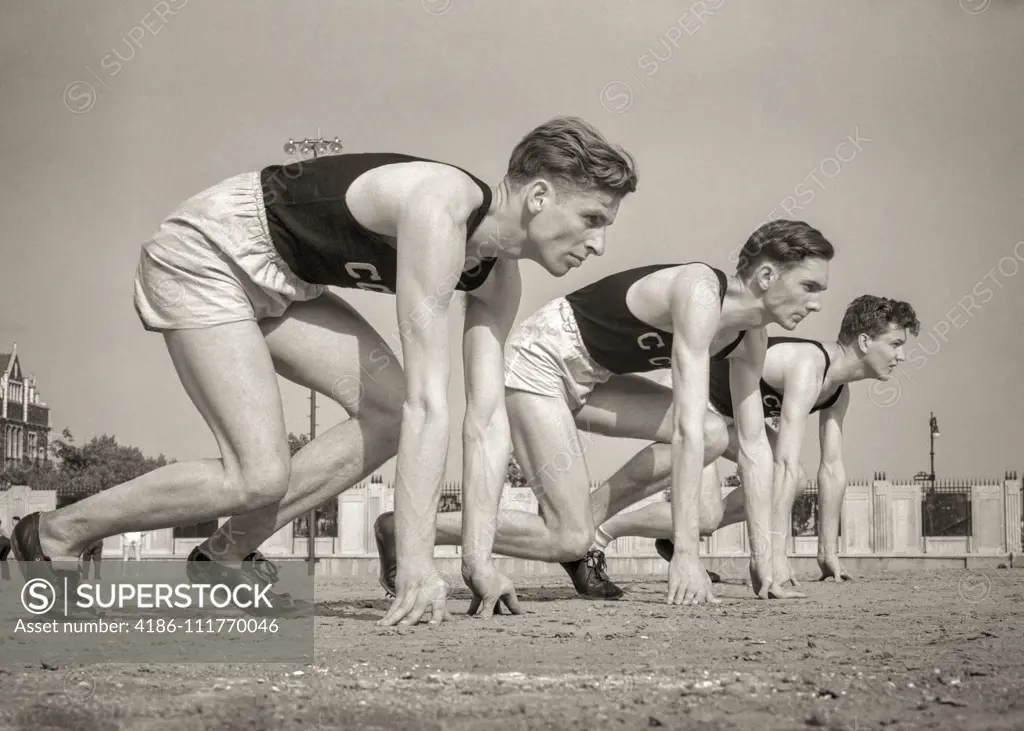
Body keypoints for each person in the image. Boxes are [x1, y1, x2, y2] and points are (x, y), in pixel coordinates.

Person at [8, 117, 638, 626]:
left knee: (385, 409)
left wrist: (477, 557)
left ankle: (223, 558)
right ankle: (55, 534)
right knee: (256, 475)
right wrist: (418, 564)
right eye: (593, 219)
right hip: (211, 251)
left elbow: (485, 420)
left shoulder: (500, 277)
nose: (599, 245)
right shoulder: (441, 206)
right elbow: (430, 402)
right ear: (538, 197)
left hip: (288, 282)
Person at [376, 219, 835, 606]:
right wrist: (686, 555)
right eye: (809, 286)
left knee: (720, 433)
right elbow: (684, 429)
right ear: (768, 276)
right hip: (541, 363)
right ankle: (411, 529)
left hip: (592, 378)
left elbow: (754, 447)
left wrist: (767, 558)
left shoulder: (748, 338)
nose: (816, 302)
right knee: (570, 536)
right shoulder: (700, 291)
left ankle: (583, 529)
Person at [582, 294, 920, 595]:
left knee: (789, 482)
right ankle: (602, 531)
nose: (901, 356)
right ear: (864, 341)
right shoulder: (808, 366)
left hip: (735, 418)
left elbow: (831, 469)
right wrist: (774, 556)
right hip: (698, 398)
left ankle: (672, 536)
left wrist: (827, 551)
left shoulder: (837, 391)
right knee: (707, 514)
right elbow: (782, 462)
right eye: (895, 343)